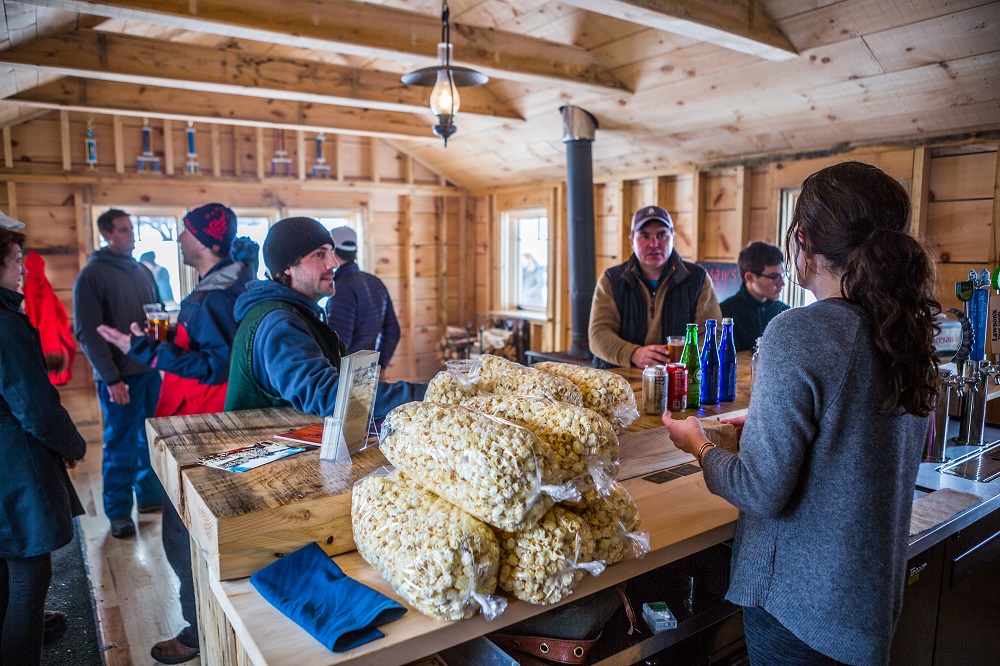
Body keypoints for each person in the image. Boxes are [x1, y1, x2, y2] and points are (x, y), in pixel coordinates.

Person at [662, 162, 939, 666]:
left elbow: (758, 491)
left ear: (803, 242)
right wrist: (773, 430)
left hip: (801, 610)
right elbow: (893, 443)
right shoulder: (908, 331)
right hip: (867, 602)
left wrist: (698, 445)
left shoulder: (800, 332)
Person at [96, 204, 257, 664]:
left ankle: (200, 630)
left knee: (181, 532)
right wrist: (162, 343)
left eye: (184, 233)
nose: (179, 240)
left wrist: (148, 350)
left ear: (205, 242)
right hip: (216, 419)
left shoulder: (213, 295)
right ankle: (217, 620)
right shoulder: (232, 279)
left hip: (201, 424)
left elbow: (215, 366)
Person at [226, 216, 425, 419]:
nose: (334, 262)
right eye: (319, 254)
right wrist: (428, 394)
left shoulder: (298, 313)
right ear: (287, 267)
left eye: (331, 252)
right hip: (261, 445)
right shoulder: (279, 322)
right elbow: (328, 395)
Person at [1, 227, 87, 666]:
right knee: (30, 578)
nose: (22, 268)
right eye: (17, 259)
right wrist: (72, 443)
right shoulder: (4, 323)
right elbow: (35, 405)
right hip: (13, 470)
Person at [73, 209, 162, 539]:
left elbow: (155, 314)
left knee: (151, 440)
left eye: (131, 229)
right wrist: (111, 378)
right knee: (120, 445)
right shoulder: (92, 275)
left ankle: (151, 497)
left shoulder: (141, 270)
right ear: (107, 234)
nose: (131, 235)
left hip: (150, 371)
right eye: (124, 230)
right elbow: (88, 333)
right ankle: (118, 512)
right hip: (120, 377)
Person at [589, 205, 721, 369]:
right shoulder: (611, 279)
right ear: (632, 241)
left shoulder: (698, 279)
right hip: (621, 381)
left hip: (680, 380)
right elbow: (598, 335)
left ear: (673, 238)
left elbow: (713, 333)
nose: (654, 244)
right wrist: (633, 354)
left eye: (662, 235)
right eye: (644, 236)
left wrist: (689, 356)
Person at [324, 226, 401, 367]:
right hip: (368, 371)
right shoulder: (375, 282)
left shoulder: (340, 288)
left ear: (332, 252)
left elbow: (339, 343)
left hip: (345, 376)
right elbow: (393, 331)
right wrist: (381, 366)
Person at [719, 241, 791, 351]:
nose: (782, 283)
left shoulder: (784, 312)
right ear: (749, 277)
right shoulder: (724, 314)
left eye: (782, 275)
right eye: (774, 277)